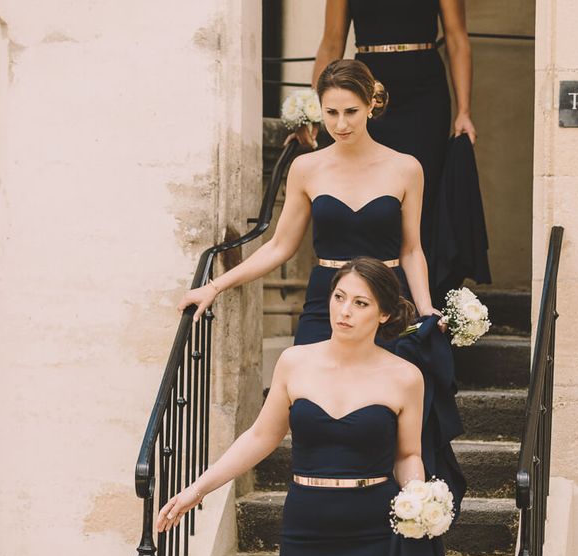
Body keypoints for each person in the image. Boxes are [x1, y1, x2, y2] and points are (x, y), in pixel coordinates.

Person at [160, 258, 457, 556]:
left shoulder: (405, 377)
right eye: (339, 298)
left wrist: (419, 501)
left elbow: (408, 453)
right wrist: (197, 489)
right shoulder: (295, 362)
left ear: (385, 313)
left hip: (372, 538)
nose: (345, 311)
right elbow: (262, 435)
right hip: (307, 539)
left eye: (360, 303)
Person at [180, 58, 440, 343]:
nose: (341, 124)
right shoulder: (306, 168)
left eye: (351, 111)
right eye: (331, 112)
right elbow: (279, 247)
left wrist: (426, 308)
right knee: (307, 386)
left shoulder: (406, 168)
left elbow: (412, 250)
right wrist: (215, 287)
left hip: (384, 303)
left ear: (370, 105)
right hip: (325, 301)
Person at [291, 0, 476, 251]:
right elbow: (331, 42)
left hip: (424, 93)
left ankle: (417, 285)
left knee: (423, 191)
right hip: (366, 86)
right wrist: (313, 112)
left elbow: (457, 39)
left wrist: (464, 110)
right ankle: (367, 283)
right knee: (364, 188)